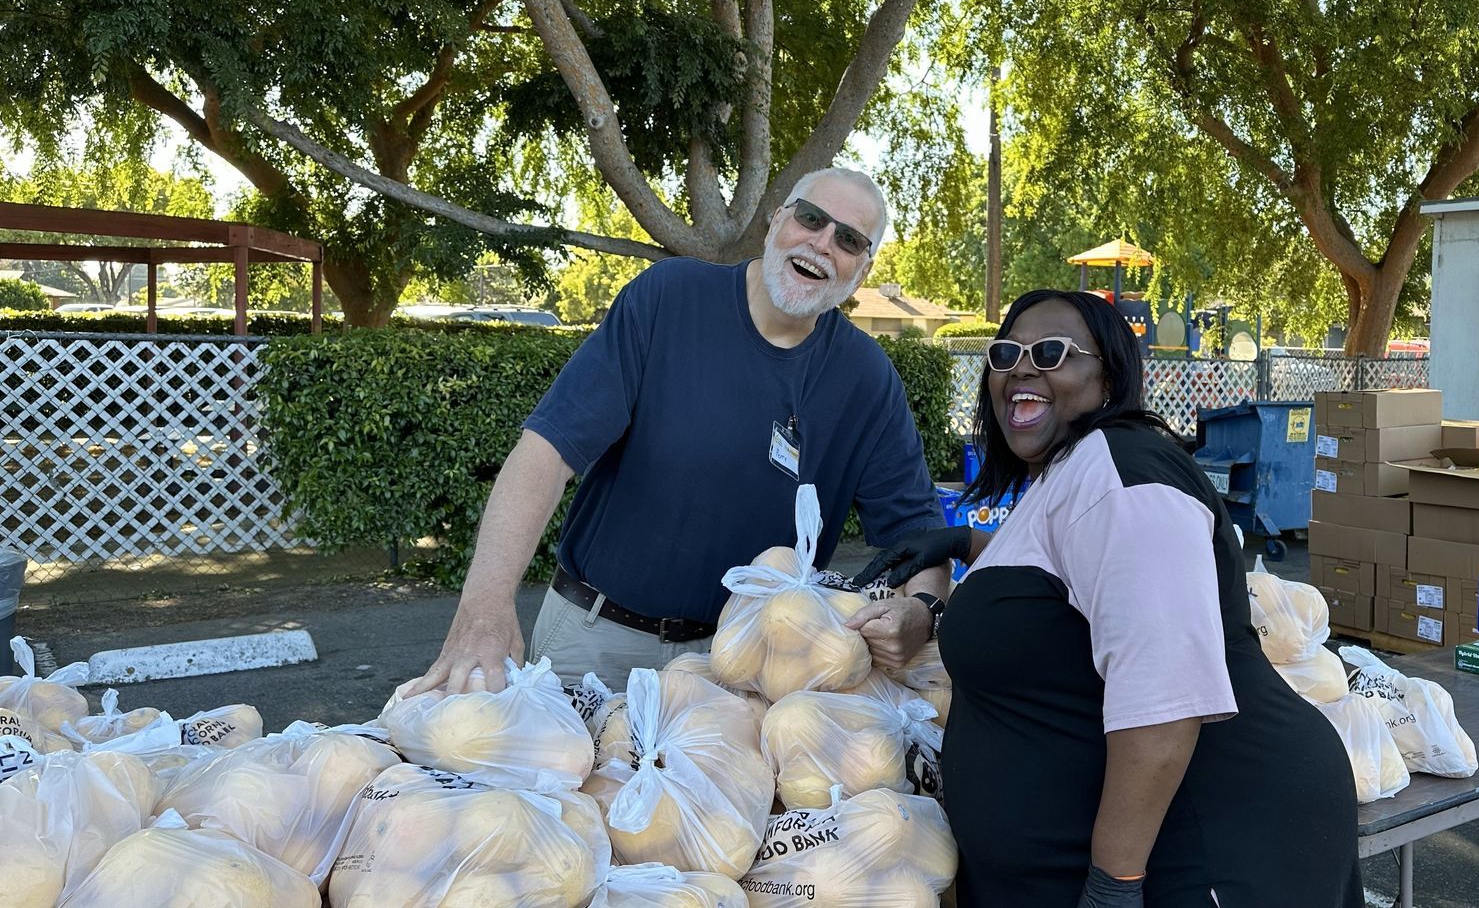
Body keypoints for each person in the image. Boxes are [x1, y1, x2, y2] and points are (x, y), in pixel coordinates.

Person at [867, 290, 1362, 907]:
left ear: (1108, 378)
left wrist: (1115, 882)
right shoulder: (1077, 468)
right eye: (1005, 353)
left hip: (1204, 844)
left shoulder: (1126, 473)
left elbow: (1166, 694)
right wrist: (968, 541)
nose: (1023, 367)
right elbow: (1068, 576)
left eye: (1052, 352)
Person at [408, 167, 953, 695]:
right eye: (811, 218)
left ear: (862, 269)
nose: (821, 243)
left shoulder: (866, 380)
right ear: (776, 221)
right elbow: (548, 451)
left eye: (849, 239)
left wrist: (921, 611)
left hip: (744, 668)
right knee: (546, 783)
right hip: (592, 640)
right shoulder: (669, 298)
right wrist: (485, 603)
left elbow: (916, 530)